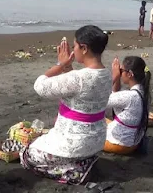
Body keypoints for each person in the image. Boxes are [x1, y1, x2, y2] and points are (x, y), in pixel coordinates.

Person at [20, 25, 112, 185]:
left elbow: (40, 86)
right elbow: (76, 86)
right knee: (44, 139)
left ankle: (75, 171)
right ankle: (81, 163)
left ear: (84, 48)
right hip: (96, 141)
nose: (73, 49)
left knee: (27, 156)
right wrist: (67, 67)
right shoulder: (107, 74)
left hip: (77, 142)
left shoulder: (79, 78)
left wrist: (60, 64)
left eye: (75, 45)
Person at [104, 56, 151, 155]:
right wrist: (117, 78)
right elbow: (115, 95)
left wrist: (114, 77)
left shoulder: (129, 96)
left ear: (130, 74)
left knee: (88, 121)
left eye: (121, 71)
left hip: (119, 144)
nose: (120, 74)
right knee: (102, 120)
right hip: (134, 142)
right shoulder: (144, 93)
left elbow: (99, 101)